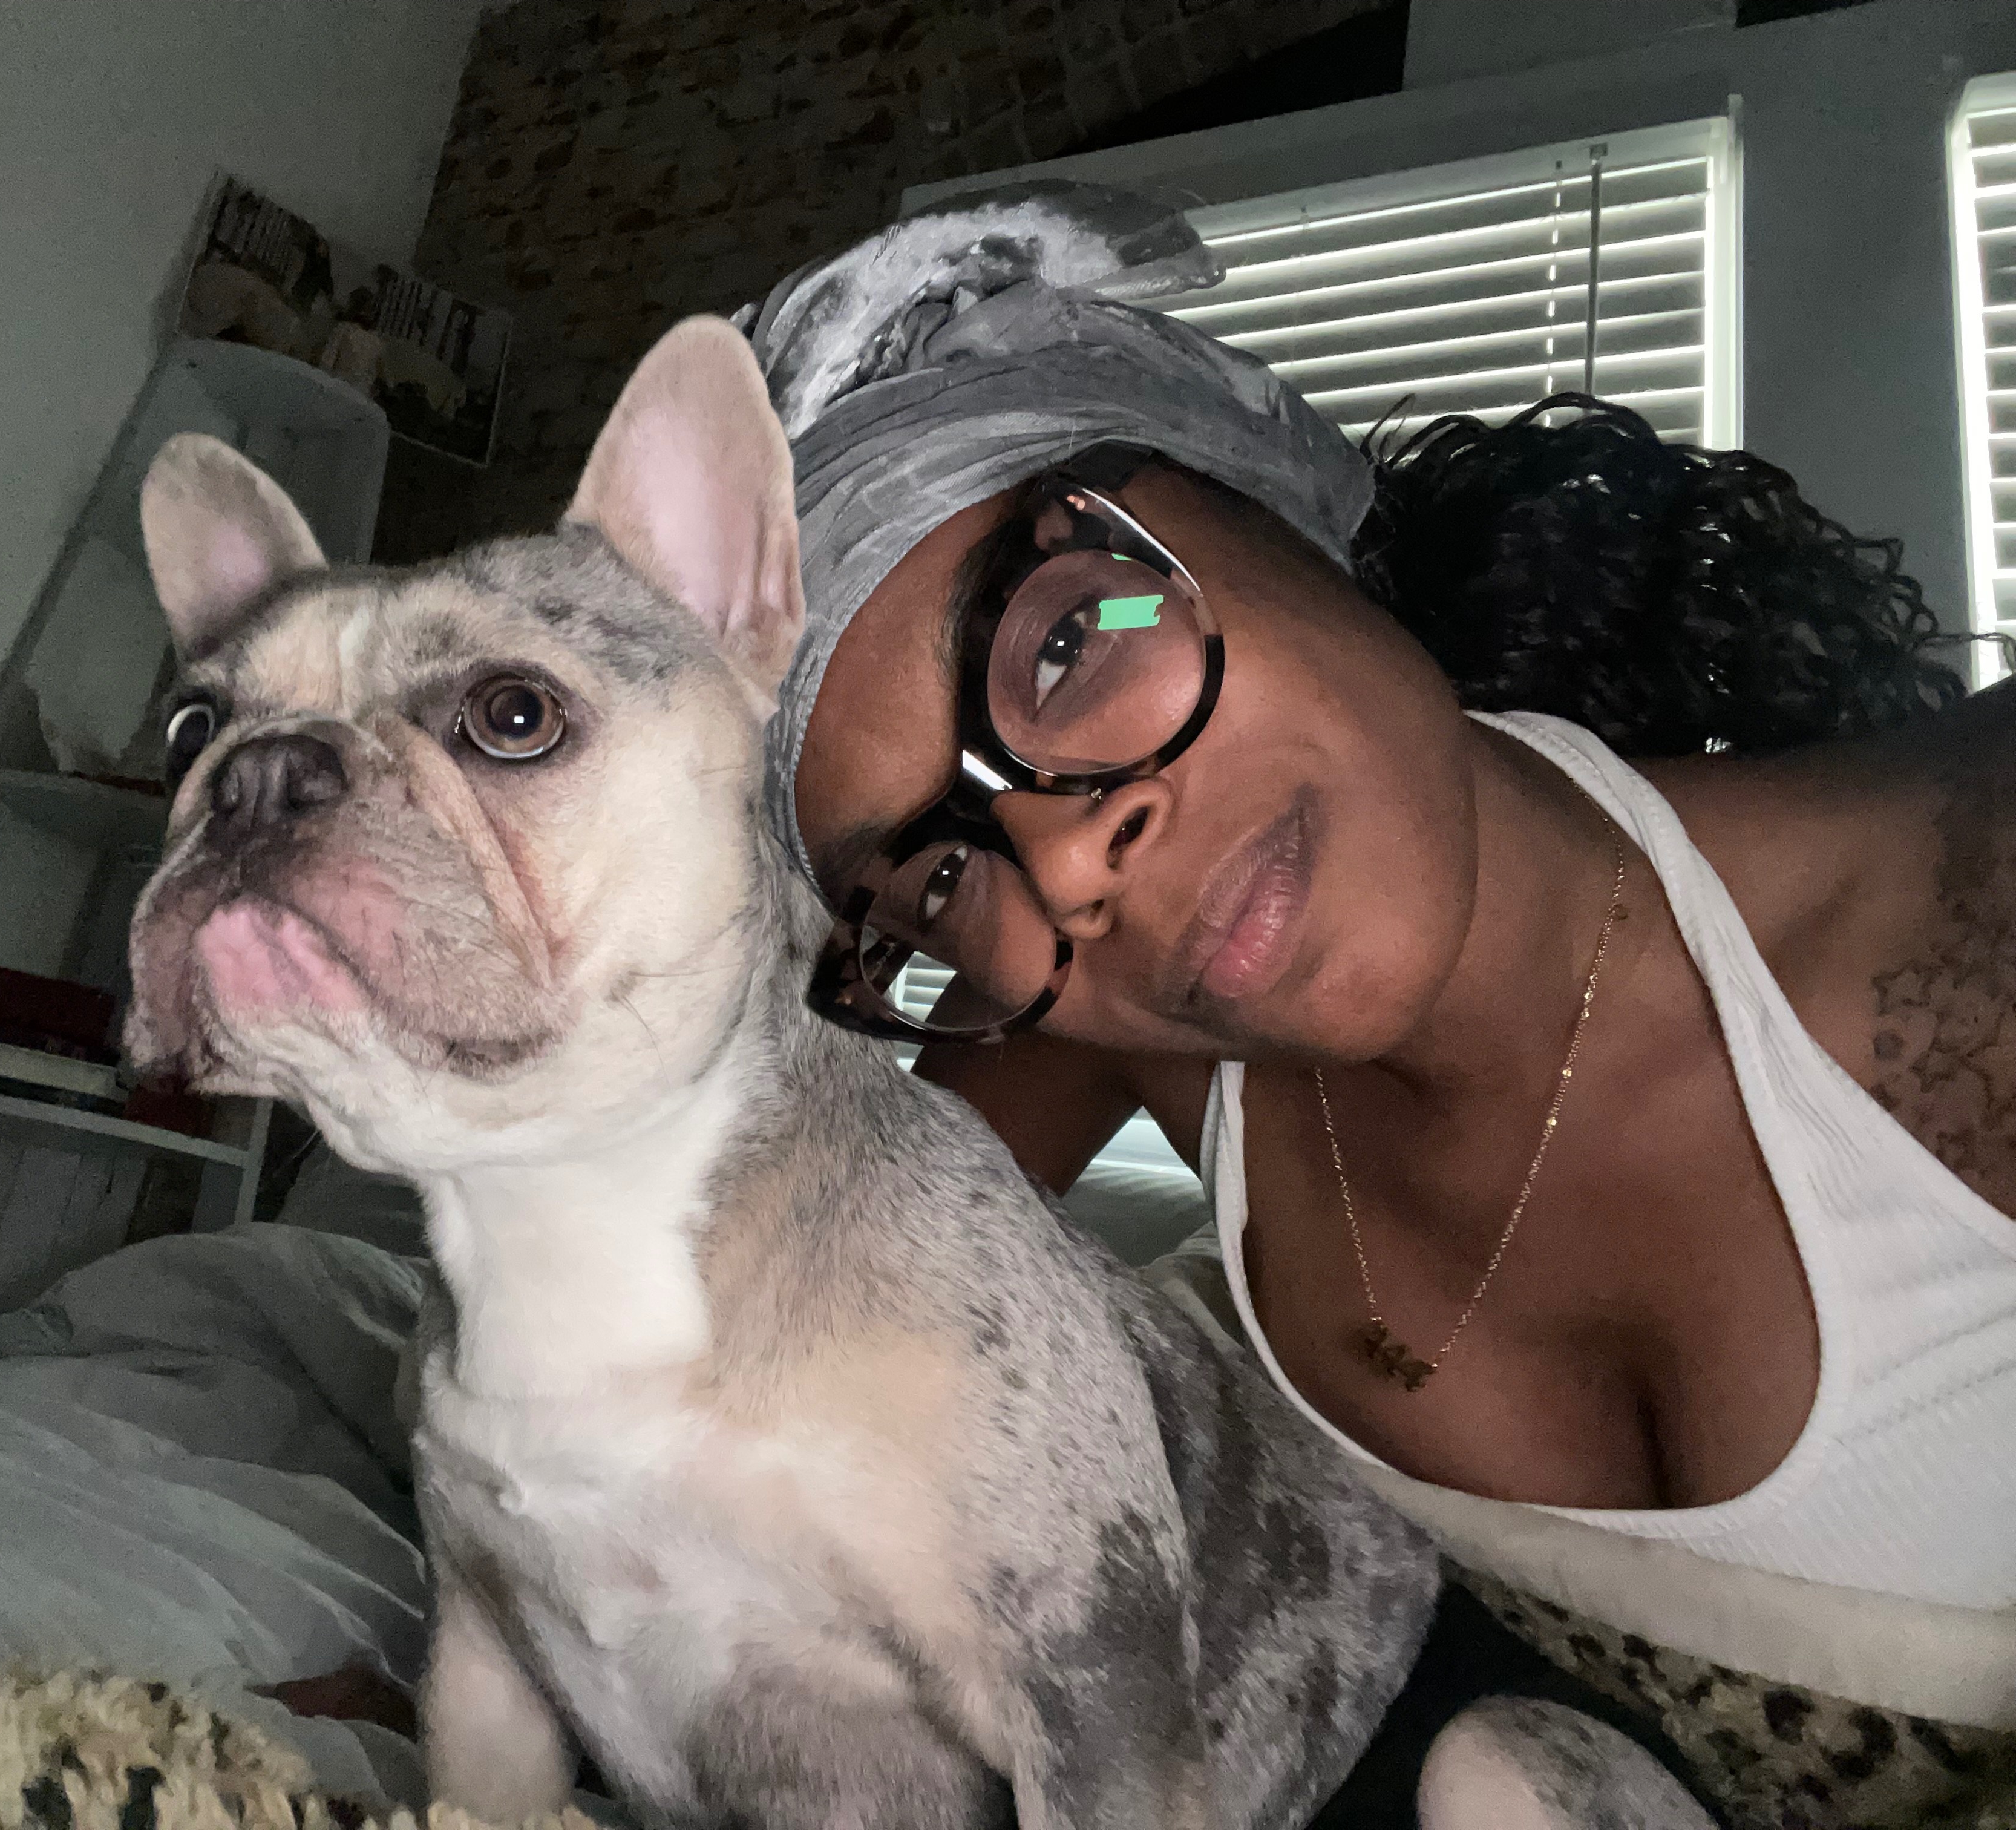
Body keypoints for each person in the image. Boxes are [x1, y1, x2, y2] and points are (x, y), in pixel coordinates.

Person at [737, 183, 2016, 1826]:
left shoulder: (1971, 907)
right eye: (935, 873)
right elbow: (803, 1326)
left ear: (1272, 502)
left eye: (1062, 649)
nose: (1059, 867)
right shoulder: (1124, 1039)